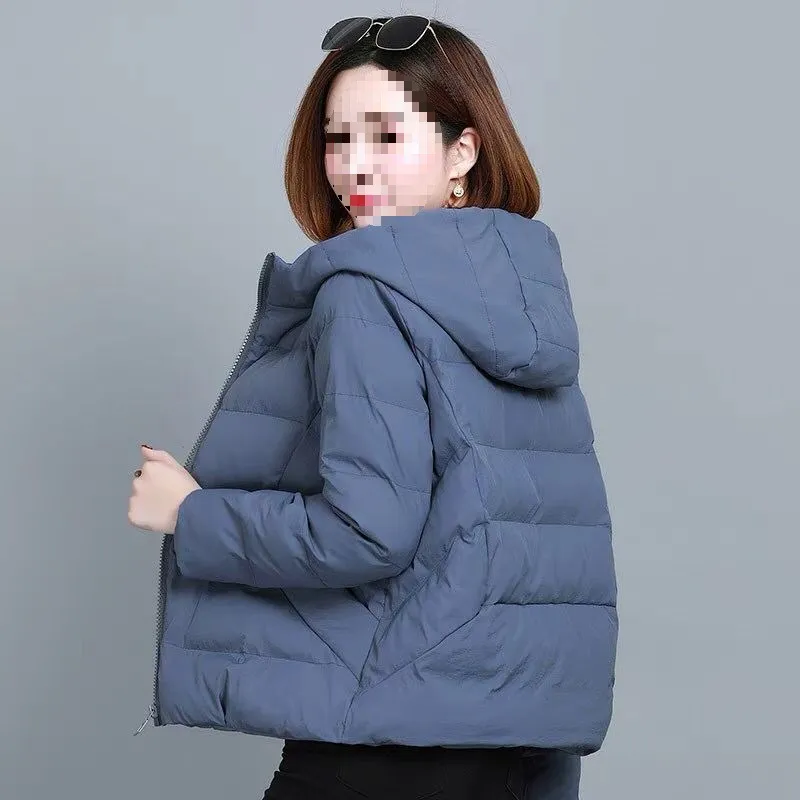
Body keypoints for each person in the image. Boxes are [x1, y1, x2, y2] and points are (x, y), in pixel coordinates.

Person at [127, 14, 618, 800]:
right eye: (337, 137)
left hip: (394, 739)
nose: (353, 164)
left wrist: (191, 514)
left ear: (463, 151)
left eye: (387, 136)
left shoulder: (364, 292)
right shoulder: (520, 288)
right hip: (532, 741)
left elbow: (364, 532)